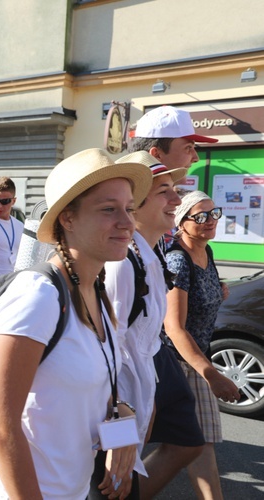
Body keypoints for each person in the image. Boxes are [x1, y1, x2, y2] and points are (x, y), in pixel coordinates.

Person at [0, 148, 152, 499]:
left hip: (72, 489)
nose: (127, 222)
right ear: (68, 219)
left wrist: (123, 427)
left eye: (129, 209)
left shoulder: (94, 291)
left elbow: (99, 386)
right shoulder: (37, 295)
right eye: (108, 209)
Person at [99, 151, 203, 499]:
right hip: (119, 403)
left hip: (139, 390)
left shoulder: (147, 253)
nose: (177, 199)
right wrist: (121, 431)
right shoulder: (123, 264)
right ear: (136, 205)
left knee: (125, 482)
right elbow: (108, 353)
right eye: (165, 192)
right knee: (112, 484)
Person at [127, 106, 219, 497]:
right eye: (189, 147)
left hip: (150, 363)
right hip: (139, 369)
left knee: (188, 440)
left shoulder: (150, 243)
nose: (195, 157)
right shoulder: (123, 248)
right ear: (157, 155)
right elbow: (114, 341)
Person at [164, 191, 239, 500]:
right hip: (177, 361)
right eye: (201, 216)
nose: (211, 221)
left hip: (194, 358)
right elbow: (174, 326)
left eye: (214, 213)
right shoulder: (178, 259)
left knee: (192, 442)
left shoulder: (206, 253)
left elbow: (199, 299)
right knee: (196, 441)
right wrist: (212, 375)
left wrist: (216, 291)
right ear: (182, 222)